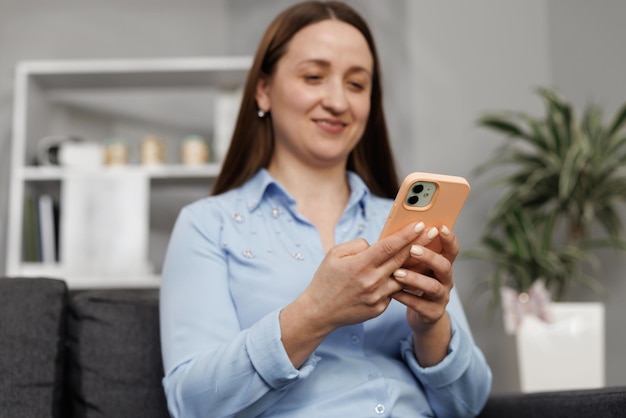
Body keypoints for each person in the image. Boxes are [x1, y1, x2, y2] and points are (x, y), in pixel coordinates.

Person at [159, 1, 492, 417]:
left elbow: (470, 403)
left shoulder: (405, 225)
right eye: (314, 77)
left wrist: (430, 326)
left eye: (356, 85)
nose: (337, 101)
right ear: (263, 90)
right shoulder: (208, 226)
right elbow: (191, 403)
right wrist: (314, 313)